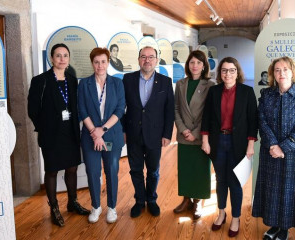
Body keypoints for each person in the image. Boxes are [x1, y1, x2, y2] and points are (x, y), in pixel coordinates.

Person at [27, 43, 90, 227]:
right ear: (51, 58)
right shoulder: (40, 81)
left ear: (69, 58)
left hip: (70, 132)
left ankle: (72, 202)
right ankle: (54, 207)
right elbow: (32, 110)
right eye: (58, 55)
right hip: (51, 135)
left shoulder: (72, 79)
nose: (62, 59)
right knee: (52, 170)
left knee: (71, 168)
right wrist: (45, 127)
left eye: (65, 55)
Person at [201, 57, 258, 237]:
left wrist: (250, 145)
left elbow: (252, 121)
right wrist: (205, 140)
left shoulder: (247, 92)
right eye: (224, 70)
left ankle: (235, 217)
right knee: (220, 180)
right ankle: (221, 213)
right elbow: (207, 117)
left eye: (231, 70)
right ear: (220, 73)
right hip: (218, 142)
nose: (228, 73)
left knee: (235, 182)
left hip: (239, 143)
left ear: (237, 72)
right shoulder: (214, 91)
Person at [252, 57, 295, 240]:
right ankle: (273, 225)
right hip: (270, 151)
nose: (281, 73)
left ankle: (284, 229)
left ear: (292, 72)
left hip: (293, 154)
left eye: (285, 69)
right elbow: (262, 120)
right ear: (273, 73)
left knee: (288, 190)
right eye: (277, 70)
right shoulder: (267, 94)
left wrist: (284, 147)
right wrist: (273, 145)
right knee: (271, 190)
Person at [123, 46, 174, 218]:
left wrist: (167, 134)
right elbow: (121, 108)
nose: (147, 60)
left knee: (153, 171)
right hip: (133, 134)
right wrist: (123, 130)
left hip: (155, 135)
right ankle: (139, 201)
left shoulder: (165, 82)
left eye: (151, 57)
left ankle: (151, 199)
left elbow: (169, 111)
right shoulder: (127, 79)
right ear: (138, 60)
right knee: (135, 170)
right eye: (143, 57)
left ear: (156, 61)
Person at [78, 47, 125, 224]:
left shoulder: (117, 83)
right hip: (90, 137)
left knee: (112, 171)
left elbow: (120, 110)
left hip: (111, 135)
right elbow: (82, 110)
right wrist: (94, 134)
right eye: (96, 62)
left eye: (103, 61)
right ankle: (96, 206)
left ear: (108, 62)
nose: (100, 65)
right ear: (92, 63)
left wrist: (102, 130)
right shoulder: (84, 84)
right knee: (92, 172)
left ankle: (112, 207)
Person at [173, 50, 215, 220]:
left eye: (198, 63)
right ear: (187, 65)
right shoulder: (181, 84)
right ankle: (186, 199)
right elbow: (176, 109)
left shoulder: (210, 85)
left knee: (199, 170)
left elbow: (210, 113)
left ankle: (197, 201)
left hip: (201, 137)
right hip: (184, 136)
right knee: (185, 169)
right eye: (192, 62)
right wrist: (183, 129)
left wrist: (196, 133)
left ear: (204, 65)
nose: (195, 66)